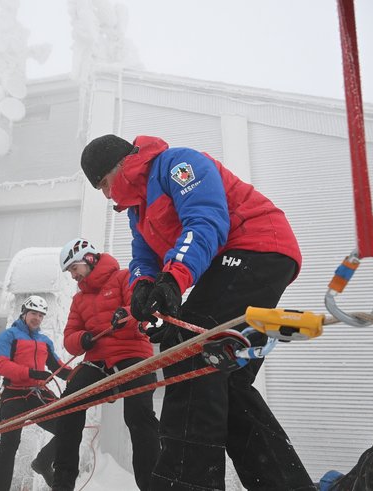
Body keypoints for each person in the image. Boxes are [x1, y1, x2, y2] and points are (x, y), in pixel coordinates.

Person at [79, 134, 316, 490]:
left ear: (117, 168)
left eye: (103, 185)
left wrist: (173, 281)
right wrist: (145, 288)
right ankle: (283, 483)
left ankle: (186, 481)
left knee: (190, 347)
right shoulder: (138, 212)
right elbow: (144, 257)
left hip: (257, 245)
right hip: (235, 260)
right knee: (225, 377)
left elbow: (205, 221)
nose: (106, 195)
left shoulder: (178, 165)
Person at [52, 238, 160, 491]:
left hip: (132, 351)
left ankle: (153, 485)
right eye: (69, 272)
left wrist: (127, 314)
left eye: (73, 268)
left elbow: (139, 306)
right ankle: (62, 484)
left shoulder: (123, 277)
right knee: (68, 407)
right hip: (98, 359)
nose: (72, 275)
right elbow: (70, 337)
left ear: (88, 259)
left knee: (139, 415)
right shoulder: (79, 300)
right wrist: (82, 339)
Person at [0, 295, 71, 491]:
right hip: (13, 395)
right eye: (34, 314)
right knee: (9, 445)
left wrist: (81, 376)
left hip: (38, 395)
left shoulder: (45, 341)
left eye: (41, 315)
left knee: (68, 428)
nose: (37, 318)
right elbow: (2, 366)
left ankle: (42, 462)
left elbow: (58, 368)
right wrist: (31, 373)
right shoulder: (8, 336)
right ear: (24, 314)